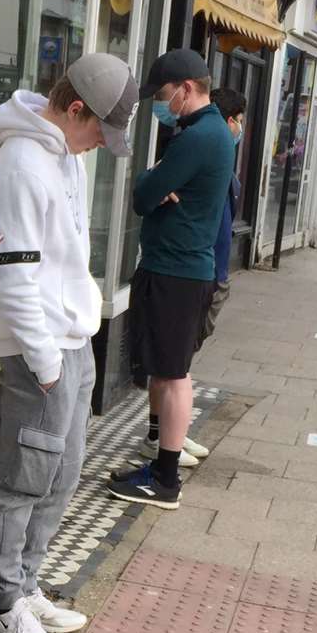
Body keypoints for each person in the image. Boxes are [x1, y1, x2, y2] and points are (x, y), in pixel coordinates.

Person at [0, 54, 138, 633]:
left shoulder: (61, 156)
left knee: (61, 473)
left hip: (72, 342)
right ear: (75, 109)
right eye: (100, 130)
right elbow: (15, 276)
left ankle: (25, 585)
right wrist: (44, 361)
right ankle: (4, 605)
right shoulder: (21, 166)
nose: (100, 144)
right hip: (40, 349)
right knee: (24, 480)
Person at [107, 49, 234, 511]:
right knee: (167, 368)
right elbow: (156, 191)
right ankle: (158, 459)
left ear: (185, 89)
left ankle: (164, 479)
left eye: (163, 95)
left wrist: (154, 178)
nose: (161, 105)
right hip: (178, 268)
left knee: (174, 374)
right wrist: (160, 180)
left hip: (178, 271)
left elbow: (142, 196)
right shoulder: (207, 132)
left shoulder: (199, 137)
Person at [195, 86, 246, 353]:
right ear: (229, 121)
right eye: (239, 121)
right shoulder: (207, 157)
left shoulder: (224, 161)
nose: (241, 128)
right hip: (205, 273)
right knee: (181, 355)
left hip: (215, 272)